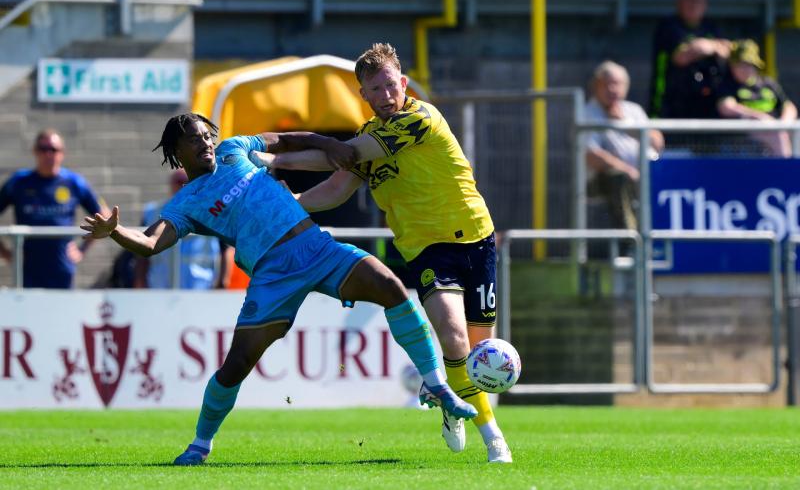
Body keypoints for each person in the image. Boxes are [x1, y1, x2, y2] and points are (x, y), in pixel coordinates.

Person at [79, 112, 476, 466]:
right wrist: (115, 232)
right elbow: (150, 243)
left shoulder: (236, 149)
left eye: (207, 135)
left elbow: (285, 141)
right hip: (272, 276)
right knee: (235, 366)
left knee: (390, 286)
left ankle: (436, 384)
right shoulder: (186, 203)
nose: (205, 143)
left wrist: (329, 143)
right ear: (176, 152)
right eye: (194, 139)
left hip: (316, 247)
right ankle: (200, 444)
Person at [261, 43, 513, 463]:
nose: (384, 94)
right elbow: (339, 185)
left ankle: (445, 393)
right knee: (453, 340)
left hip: (476, 238)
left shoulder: (421, 118)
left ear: (404, 83)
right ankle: (494, 439)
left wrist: (269, 157)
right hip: (426, 249)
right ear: (363, 95)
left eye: (389, 84)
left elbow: (346, 156)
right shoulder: (366, 137)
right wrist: (293, 202)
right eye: (374, 88)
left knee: (477, 355)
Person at [0, 129, 108, 288]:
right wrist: (7, 254)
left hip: (62, 270)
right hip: (27, 272)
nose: (48, 155)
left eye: (53, 150)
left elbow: (104, 216)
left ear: (62, 153)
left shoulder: (74, 182)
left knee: (64, 312)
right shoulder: (18, 182)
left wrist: (82, 250)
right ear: (35, 152)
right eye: (43, 149)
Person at [586, 61, 664, 230]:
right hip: (602, 180)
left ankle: (662, 238)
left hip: (645, 173)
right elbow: (591, 155)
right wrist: (628, 171)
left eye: (617, 84)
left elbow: (658, 143)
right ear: (596, 86)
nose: (613, 89)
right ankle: (631, 242)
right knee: (619, 178)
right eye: (607, 84)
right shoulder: (588, 113)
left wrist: (625, 124)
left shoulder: (633, 110)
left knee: (668, 173)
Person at [134, 169, 232, 289]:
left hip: (200, 291)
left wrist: (223, 281)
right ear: (171, 184)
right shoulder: (152, 212)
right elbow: (141, 251)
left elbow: (225, 249)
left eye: (187, 181)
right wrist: (140, 281)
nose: (182, 186)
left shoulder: (213, 212)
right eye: (178, 181)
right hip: (159, 290)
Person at [649, 0, 731, 119]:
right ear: (679, 3)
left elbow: (728, 50)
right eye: (689, 0)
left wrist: (704, 46)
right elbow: (680, 58)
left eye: (698, 1)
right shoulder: (668, 26)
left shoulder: (711, 26)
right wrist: (710, 46)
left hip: (705, 102)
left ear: (705, 5)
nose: (693, 5)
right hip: (672, 102)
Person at [716, 39, 798, 158]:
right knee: (776, 135)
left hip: (776, 128)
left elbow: (789, 106)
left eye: (749, 64)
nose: (745, 69)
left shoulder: (768, 84)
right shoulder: (727, 85)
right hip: (743, 136)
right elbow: (726, 106)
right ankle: (784, 173)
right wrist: (759, 117)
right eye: (740, 64)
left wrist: (783, 124)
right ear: (732, 65)